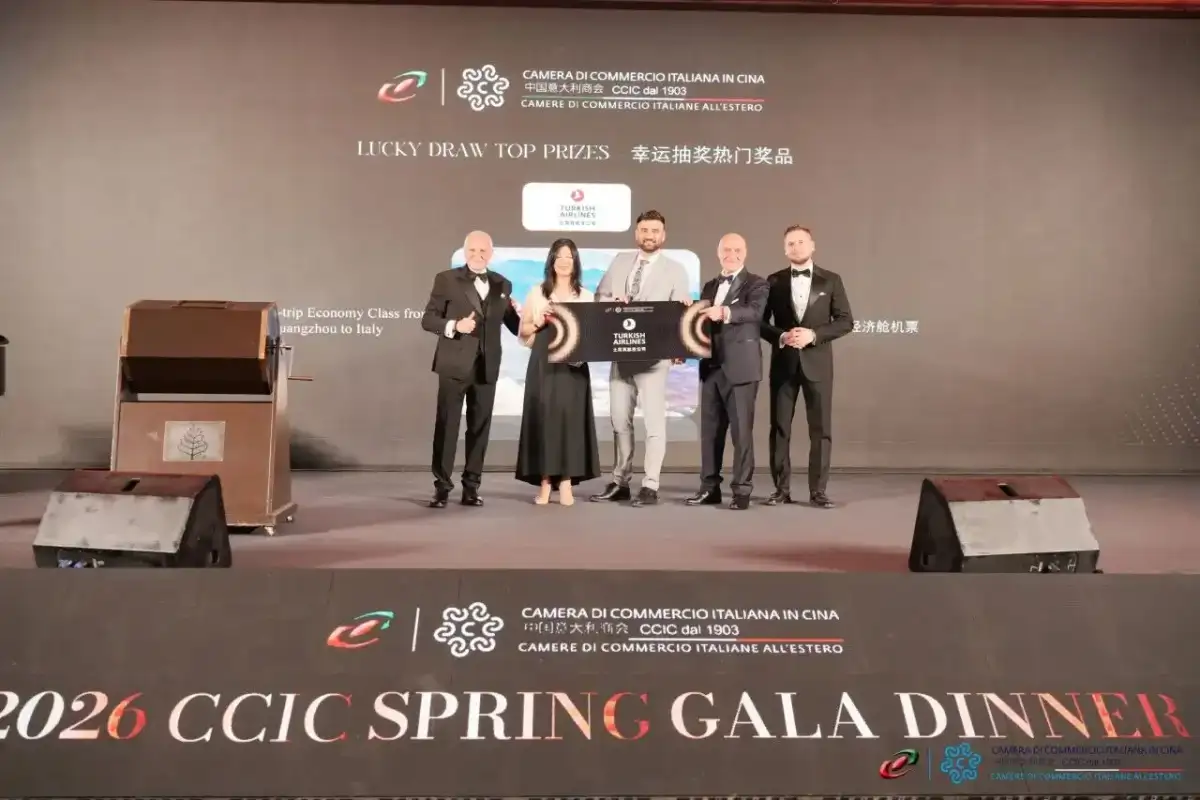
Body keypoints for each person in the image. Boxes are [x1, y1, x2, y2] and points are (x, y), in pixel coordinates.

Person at [591, 210, 691, 508]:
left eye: (655, 230)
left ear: (664, 235)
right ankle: (620, 481)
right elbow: (599, 298)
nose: (649, 235)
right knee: (619, 420)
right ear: (637, 233)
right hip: (621, 351)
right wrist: (612, 302)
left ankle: (650, 485)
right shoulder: (620, 261)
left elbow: (680, 313)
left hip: (655, 357)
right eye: (645, 230)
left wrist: (680, 344)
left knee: (654, 424)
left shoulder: (676, 270)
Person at [420, 230, 520, 508]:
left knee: (479, 429)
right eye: (473, 250)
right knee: (447, 426)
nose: (478, 255)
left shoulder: (503, 284)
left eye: (483, 251)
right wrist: (455, 326)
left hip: (487, 366)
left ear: (491, 253)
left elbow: (513, 326)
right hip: (453, 365)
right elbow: (428, 319)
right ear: (465, 252)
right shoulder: (446, 279)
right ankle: (442, 488)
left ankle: (472, 488)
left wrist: (524, 316)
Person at [760, 225, 854, 508]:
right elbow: (760, 322)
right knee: (780, 428)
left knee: (821, 430)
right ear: (784, 249)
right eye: (791, 243)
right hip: (783, 365)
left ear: (812, 245)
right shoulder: (773, 281)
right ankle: (781, 490)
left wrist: (814, 335)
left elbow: (845, 321)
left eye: (801, 242)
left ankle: (818, 491)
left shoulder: (831, 280)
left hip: (818, 365)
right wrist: (781, 336)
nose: (796, 247)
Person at [515, 239, 601, 505]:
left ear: (576, 262)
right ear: (551, 261)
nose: (564, 261)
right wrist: (540, 320)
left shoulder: (586, 296)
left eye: (569, 257)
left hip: (573, 364)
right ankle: (545, 482)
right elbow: (523, 332)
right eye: (559, 256)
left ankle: (565, 482)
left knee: (570, 421)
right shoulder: (537, 292)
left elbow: (593, 335)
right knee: (545, 419)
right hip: (543, 361)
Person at [686, 234, 769, 510]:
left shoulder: (757, 283)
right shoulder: (710, 285)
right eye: (726, 250)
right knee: (710, 434)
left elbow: (754, 312)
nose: (731, 254)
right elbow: (700, 324)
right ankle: (709, 488)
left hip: (742, 368)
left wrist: (723, 312)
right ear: (718, 252)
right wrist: (686, 322)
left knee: (741, 434)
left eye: (737, 250)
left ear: (745, 252)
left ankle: (742, 491)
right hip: (711, 367)